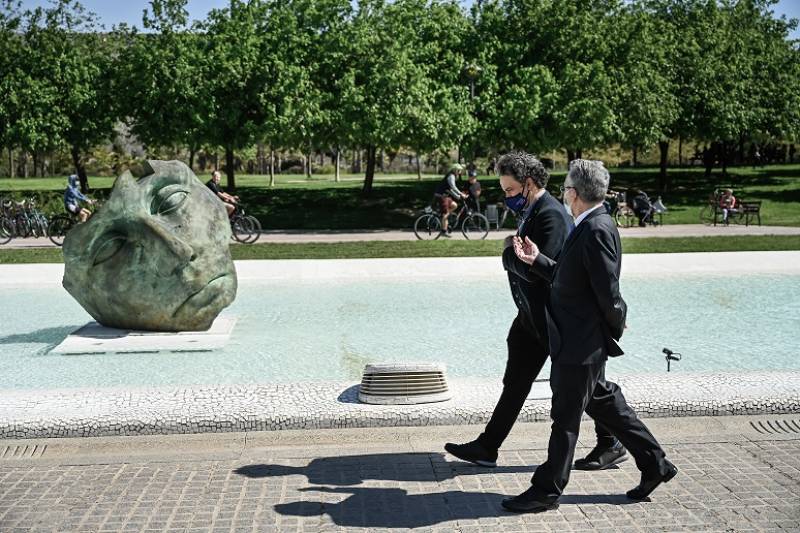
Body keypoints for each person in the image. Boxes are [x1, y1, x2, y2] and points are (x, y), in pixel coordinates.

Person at [502, 159, 677, 513]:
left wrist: (612, 329)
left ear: (574, 192)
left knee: (564, 418)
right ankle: (655, 464)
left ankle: (546, 490)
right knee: (604, 401)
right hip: (576, 338)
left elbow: (608, 290)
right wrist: (537, 260)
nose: (564, 191)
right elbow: (572, 279)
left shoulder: (596, 229)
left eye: (566, 186)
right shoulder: (586, 224)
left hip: (580, 342)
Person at [444, 152, 623, 471]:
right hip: (531, 320)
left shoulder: (551, 215)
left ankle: (613, 444)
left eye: (510, 190)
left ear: (528, 184)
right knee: (516, 381)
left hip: (553, 320)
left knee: (591, 388)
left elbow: (548, 270)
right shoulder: (533, 210)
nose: (506, 196)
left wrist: (507, 254)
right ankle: (488, 446)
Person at [433, 163, 468, 237]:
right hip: (441, 196)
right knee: (445, 214)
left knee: (454, 205)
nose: (460, 172)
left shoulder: (452, 176)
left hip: (445, 195)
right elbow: (453, 187)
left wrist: (458, 196)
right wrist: (461, 194)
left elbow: (450, 190)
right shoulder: (451, 176)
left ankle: (444, 217)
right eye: (459, 170)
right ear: (455, 170)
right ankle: (444, 231)